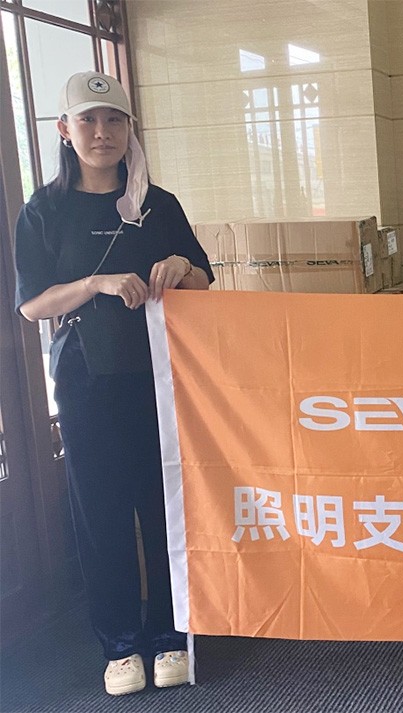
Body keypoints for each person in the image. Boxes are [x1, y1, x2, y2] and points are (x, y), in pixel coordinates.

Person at [14, 72, 213, 696]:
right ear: (64, 130)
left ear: (130, 129)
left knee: (165, 504)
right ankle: (120, 645)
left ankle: (171, 633)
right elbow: (33, 305)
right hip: (86, 381)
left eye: (114, 120)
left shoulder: (160, 204)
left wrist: (181, 265)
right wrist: (94, 283)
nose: (102, 133)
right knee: (100, 511)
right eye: (89, 120)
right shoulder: (44, 211)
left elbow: (204, 280)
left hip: (162, 377)